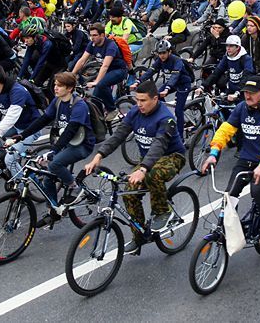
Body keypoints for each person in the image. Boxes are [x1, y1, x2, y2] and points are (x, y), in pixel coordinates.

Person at [84, 80, 186, 254]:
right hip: (147, 159)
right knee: (129, 192)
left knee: (153, 174)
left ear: (155, 99)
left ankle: (163, 212)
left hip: (171, 157)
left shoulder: (166, 118)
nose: (139, 104)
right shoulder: (134, 112)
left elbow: (159, 145)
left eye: (143, 100)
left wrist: (143, 169)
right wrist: (99, 156)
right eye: (137, 100)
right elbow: (118, 135)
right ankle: (139, 238)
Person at [202, 75, 260, 240]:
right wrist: (213, 153)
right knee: (229, 194)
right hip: (247, 157)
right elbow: (225, 131)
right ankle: (230, 228)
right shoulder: (241, 108)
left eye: (252, 92)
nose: (247, 95)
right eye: (246, 92)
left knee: (257, 191)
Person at [15, 72, 96, 226]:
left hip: (82, 145)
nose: (55, 88)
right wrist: (22, 136)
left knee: (55, 164)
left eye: (59, 86)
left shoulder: (79, 105)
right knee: (48, 177)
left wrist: (54, 151)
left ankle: (75, 187)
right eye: (55, 85)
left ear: (70, 88)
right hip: (66, 143)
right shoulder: (57, 101)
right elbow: (43, 120)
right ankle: (53, 211)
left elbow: (71, 130)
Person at [71, 22, 128, 120]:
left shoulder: (110, 45)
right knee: (95, 99)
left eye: (95, 35)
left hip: (119, 71)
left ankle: (112, 109)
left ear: (102, 35)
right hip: (107, 72)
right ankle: (100, 120)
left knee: (101, 85)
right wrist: (72, 74)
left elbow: (105, 66)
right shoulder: (92, 44)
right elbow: (82, 60)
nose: (92, 38)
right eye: (91, 35)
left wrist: (96, 81)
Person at [134, 40, 193, 134]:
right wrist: (138, 81)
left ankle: (180, 137)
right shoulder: (160, 60)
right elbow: (150, 71)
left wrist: (167, 89)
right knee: (157, 97)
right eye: (159, 53)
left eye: (164, 53)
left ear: (169, 51)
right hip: (171, 84)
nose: (162, 55)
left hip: (183, 84)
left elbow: (175, 76)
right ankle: (167, 117)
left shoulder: (177, 60)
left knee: (178, 111)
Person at [200, 34, 254, 99]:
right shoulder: (226, 57)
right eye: (227, 45)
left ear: (238, 47)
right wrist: (203, 86)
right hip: (230, 91)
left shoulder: (246, 59)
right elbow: (217, 72)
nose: (228, 48)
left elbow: (247, 76)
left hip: (242, 92)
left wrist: (237, 93)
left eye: (231, 46)